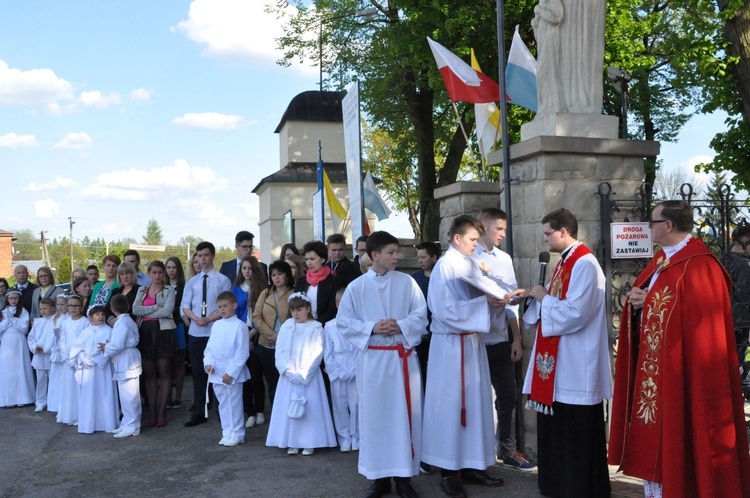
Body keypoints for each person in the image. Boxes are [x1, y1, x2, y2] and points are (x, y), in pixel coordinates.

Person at [608, 201, 750, 498]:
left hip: (684, 373)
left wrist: (647, 303)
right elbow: (655, 302)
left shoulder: (700, 264)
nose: (650, 227)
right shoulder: (662, 259)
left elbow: (696, 321)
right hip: (657, 375)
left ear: (669, 226)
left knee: (687, 434)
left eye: (653, 221)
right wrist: (638, 301)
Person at [510, 208, 611, 498]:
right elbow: (557, 305)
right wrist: (535, 298)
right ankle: (557, 484)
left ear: (563, 232)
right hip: (561, 364)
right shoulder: (565, 263)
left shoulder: (585, 264)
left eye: (547, 233)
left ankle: (580, 488)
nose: (545, 240)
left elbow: (577, 313)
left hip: (577, 363)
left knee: (576, 430)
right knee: (559, 427)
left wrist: (545, 299)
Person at [337, 231, 428, 498]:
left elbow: (421, 316)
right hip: (374, 361)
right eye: (391, 252)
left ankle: (404, 477)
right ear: (374, 255)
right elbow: (344, 323)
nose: (396, 257)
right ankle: (378, 478)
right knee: (375, 420)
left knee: (403, 418)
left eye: (396, 251)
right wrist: (373, 328)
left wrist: (400, 324)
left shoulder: (407, 283)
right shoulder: (357, 287)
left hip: (401, 360)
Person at [422, 215, 505, 498]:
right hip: (449, 347)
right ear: (456, 238)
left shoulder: (469, 264)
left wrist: (500, 300)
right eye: (472, 240)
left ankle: (472, 464)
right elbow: (445, 311)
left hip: (471, 344)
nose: (476, 245)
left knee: (477, 402)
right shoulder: (444, 267)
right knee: (450, 406)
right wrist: (486, 303)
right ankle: (448, 471)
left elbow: (483, 297)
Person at [472, 208, 533, 471]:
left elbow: (511, 303)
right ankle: (472, 453)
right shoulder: (467, 257)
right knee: (473, 398)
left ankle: (508, 450)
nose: (503, 234)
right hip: (472, 339)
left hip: (499, 339)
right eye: (499, 228)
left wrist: (516, 338)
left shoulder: (504, 259)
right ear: (483, 227)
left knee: (508, 395)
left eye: (504, 229)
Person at [265, 292, 337, 456]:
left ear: (308, 308)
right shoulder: (287, 326)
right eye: (293, 310)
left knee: (310, 407)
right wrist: (286, 371)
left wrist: (305, 374)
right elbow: (281, 350)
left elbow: (317, 352)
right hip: (290, 374)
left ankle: (309, 441)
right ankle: (292, 441)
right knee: (289, 406)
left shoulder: (316, 327)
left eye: (300, 309)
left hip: (307, 375)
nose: (296, 313)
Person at [181, 241, 232, 427]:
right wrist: (196, 318)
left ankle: (221, 411)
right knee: (198, 373)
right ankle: (199, 411)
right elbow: (185, 306)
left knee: (217, 371)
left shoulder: (222, 280)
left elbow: (225, 307)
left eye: (206, 255)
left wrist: (208, 319)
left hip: (214, 332)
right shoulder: (193, 282)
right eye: (199, 256)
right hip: (196, 332)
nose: (202, 259)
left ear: (212, 256)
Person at [204, 291, 251, 447]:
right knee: (223, 403)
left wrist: (231, 373)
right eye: (219, 307)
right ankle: (227, 432)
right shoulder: (216, 325)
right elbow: (209, 348)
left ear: (234, 305)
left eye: (225, 306)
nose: (222, 309)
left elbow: (242, 352)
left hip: (231, 371)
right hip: (216, 370)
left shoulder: (240, 326)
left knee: (234, 402)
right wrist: (208, 363)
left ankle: (238, 433)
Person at [133, 260, 176, 427]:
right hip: (145, 331)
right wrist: (154, 308)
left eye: (160, 272)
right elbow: (135, 310)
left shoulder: (169, 290)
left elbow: (167, 311)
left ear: (163, 273)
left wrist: (148, 309)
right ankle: (152, 411)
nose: (157, 275)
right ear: (149, 274)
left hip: (163, 332)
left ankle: (161, 411)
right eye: (154, 272)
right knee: (149, 373)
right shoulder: (142, 290)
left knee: (164, 371)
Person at [230, 256, 268, 428]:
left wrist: (252, 335)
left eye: (250, 268)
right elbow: (234, 315)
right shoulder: (236, 290)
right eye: (244, 268)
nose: (247, 271)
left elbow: (264, 316)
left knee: (257, 376)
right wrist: (244, 338)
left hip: (258, 336)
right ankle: (249, 412)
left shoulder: (263, 290)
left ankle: (260, 410)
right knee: (244, 377)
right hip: (241, 337)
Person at [70, 305, 119, 434]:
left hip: (103, 369)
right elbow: (77, 348)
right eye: (97, 314)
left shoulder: (108, 331)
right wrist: (83, 358)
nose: (101, 317)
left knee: (104, 393)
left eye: (102, 314)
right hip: (88, 369)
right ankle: (89, 423)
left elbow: (111, 347)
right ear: (90, 317)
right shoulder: (86, 332)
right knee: (89, 395)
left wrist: (99, 360)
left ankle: (106, 422)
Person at [252, 260, 294, 411]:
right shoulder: (266, 293)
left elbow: (296, 319)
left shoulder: (294, 294)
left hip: (287, 346)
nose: (276, 277)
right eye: (273, 274)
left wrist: (280, 336)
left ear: (287, 276)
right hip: (266, 344)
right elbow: (256, 317)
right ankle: (276, 420)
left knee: (287, 383)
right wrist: (271, 334)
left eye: (280, 274)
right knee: (272, 384)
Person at [323, 288, 360, 453]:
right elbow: (327, 353)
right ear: (338, 305)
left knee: (356, 404)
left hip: (355, 367)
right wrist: (339, 371)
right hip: (337, 367)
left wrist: (354, 369)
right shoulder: (330, 326)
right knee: (340, 405)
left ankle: (357, 437)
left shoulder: (358, 325)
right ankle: (343, 438)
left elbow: (361, 348)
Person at [102, 294, 142, 439]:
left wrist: (107, 347)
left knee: (129, 395)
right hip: (126, 357)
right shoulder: (128, 320)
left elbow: (118, 345)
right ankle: (127, 423)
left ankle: (132, 425)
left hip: (126, 358)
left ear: (112, 309)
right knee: (126, 394)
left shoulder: (121, 323)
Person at [56, 294, 89, 425]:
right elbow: (62, 341)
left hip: (80, 360)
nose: (73, 308)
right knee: (68, 388)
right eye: (70, 306)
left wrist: (78, 358)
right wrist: (66, 358)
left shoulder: (85, 322)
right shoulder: (65, 323)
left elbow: (86, 341)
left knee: (80, 388)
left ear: (81, 307)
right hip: (67, 360)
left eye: (76, 306)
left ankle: (81, 415)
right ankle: (69, 414)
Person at [0, 290, 35, 407]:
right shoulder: (2, 312)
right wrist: (6, 322)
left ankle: (22, 397)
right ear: (7, 299)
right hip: (6, 342)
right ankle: (9, 399)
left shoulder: (23, 311)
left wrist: (14, 320)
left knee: (20, 367)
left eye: (15, 298)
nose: (13, 300)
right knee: (7, 369)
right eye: (11, 298)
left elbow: (24, 327)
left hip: (19, 341)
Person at [724, 225, 750, 371]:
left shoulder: (723, 258)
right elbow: (745, 295)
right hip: (740, 319)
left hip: (723, 316)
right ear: (745, 240)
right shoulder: (744, 264)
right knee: (738, 359)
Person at [295, 241, 338, 326]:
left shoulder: (333, 281)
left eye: (312, 259)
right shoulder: (301, 281)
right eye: (306, 259)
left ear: (323, 259)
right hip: (302, 327)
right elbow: (295, 305)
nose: (309, 263)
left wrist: (316, 324)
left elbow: (332, 309)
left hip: (325, 327)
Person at [165, 256, 188, 409]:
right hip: (165, 327)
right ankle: (167, 397)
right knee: (167, 364)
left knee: (179, 363)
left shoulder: (184, 286)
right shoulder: (162, 286)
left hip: (179, 325)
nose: (171, 270)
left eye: (174, 267)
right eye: (169, 268)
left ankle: (178, 397)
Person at [28, 297, 57, 412]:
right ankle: (40, 401)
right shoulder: (38, 322)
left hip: (50, 355)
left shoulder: (55, 320)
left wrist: (47, 348)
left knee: (53, 379)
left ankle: (52, 401)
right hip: (39, 356)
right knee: (40, 380)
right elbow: (31, 338)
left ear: (52, 308)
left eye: (45, 308)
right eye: (41, 309)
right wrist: (35, 347)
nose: (43, 311)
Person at [47, 293, 70, 413]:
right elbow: (50, 335)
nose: (60, 307)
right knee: (55, 379)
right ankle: (55, 405)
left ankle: (64, 406)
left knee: (63, 379)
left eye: (63, 304)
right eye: (58, 304)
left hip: (64, 351)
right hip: (56, 352)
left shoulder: (68, 318)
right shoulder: (55, 318)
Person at [105, 262, 139, 326]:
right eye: (122, 274)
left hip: (131, 325)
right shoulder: (115, 291)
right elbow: (107, 308)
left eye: (127, 273)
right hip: (114, 325)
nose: (125, 276)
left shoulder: (139, 290)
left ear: (133, 274)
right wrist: (111, 320)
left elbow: (138, 311)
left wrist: (119, 319)